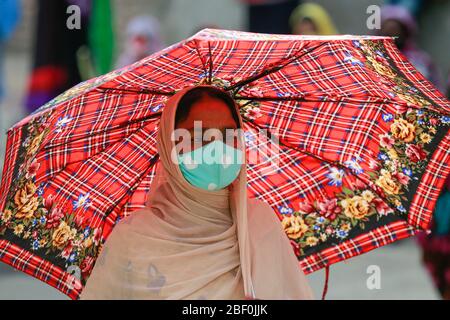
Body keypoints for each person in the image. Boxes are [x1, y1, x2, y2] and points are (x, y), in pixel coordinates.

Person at [79, 85, 315, 300]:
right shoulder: (133, 239)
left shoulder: (260, 224)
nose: (215, 149)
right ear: (170, 144)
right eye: (198, 137)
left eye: (227, 135)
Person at [378, 5, 444, 92]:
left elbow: (436, 88)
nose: (390, 35)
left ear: (405, 32)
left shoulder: (420, 61)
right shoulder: (372, 55)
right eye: (386, 30)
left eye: (395, 29)